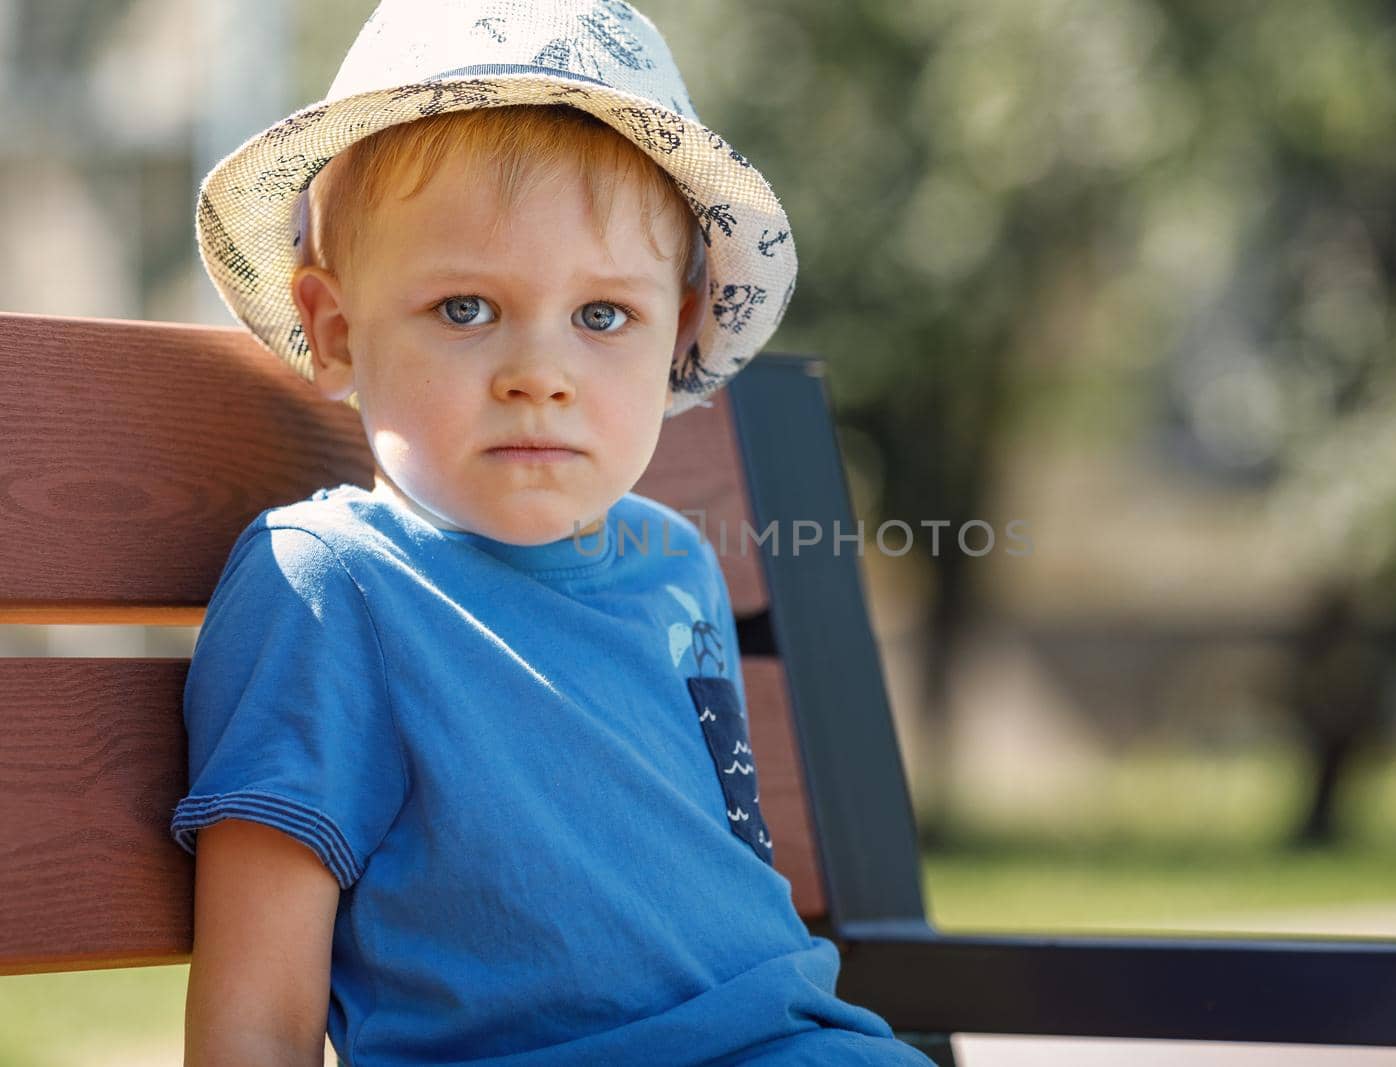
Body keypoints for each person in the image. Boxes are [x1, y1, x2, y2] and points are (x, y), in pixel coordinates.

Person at [168, 1, 937, 1064]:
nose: (540, 373)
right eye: (466, 308)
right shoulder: (330, 582)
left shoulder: (675, 564)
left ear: (678, 332)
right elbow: (258, 1014)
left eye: (603, 315)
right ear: (338, 331)